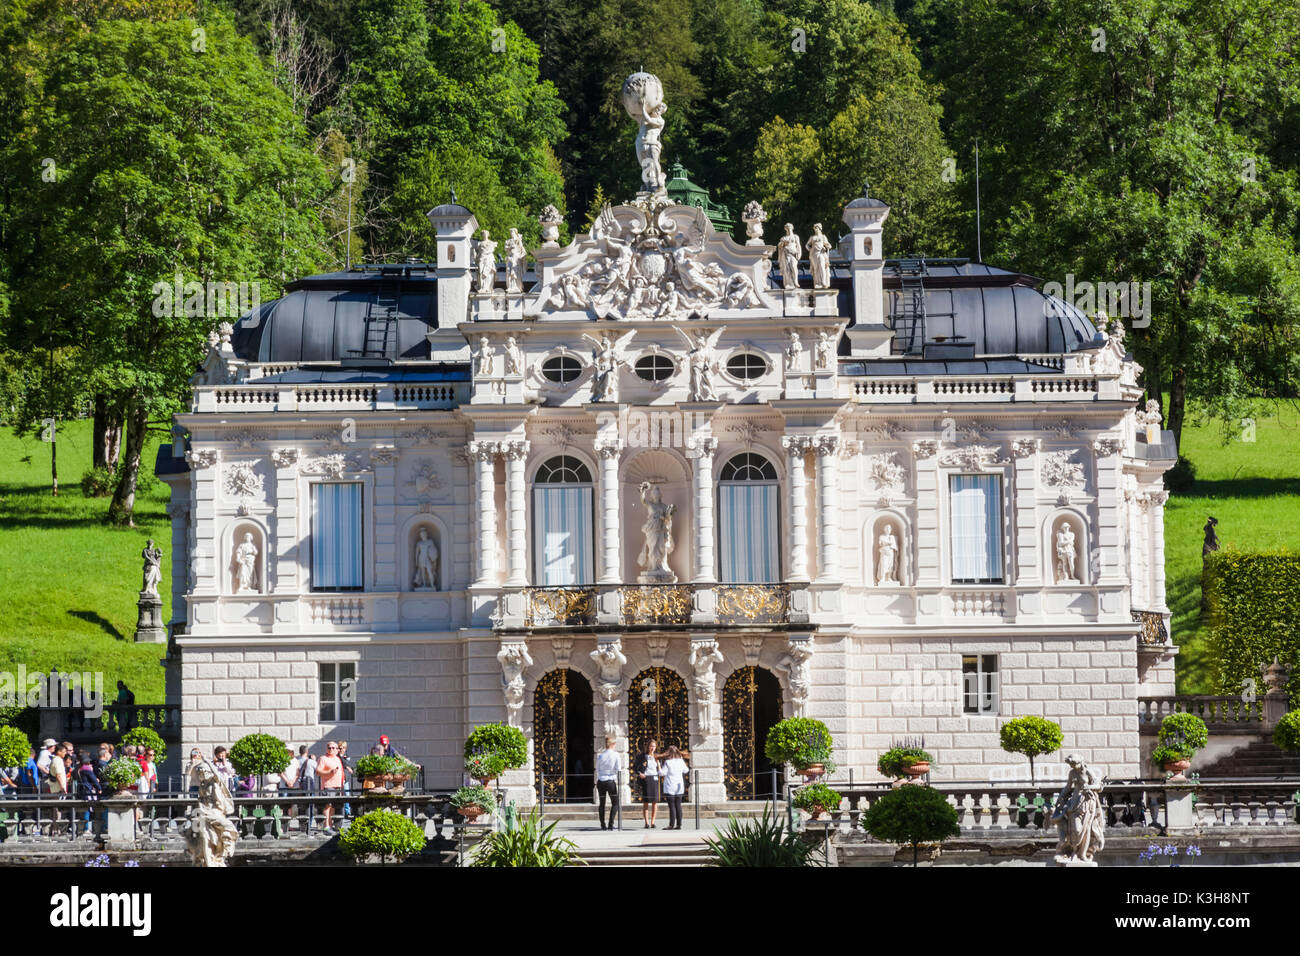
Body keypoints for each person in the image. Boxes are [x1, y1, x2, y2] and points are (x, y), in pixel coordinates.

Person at [316, 741, 344, 831]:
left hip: (338, 785)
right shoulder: (323, 758)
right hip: (328, 785)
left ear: (337, 750)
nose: (331, 749)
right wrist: (329, 772)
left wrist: (342, 782)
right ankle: (326, 826)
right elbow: (318, 771)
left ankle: (331, 825)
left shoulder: (337, 759)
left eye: (333, 748)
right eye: (329, 748)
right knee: (327, 806)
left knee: (333, 807)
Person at [633, 739, 661, 829]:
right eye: (651, 746)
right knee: (646, 802)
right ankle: (646, 823)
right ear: (648, 747)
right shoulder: (642, 756)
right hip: (646, 779)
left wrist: (659, 764)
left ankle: (653, 822)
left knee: (654, 802)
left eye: (654, 746)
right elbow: (634, 767)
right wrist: (640, 773)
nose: (652, 748)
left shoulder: (656, 756)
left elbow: (660, 768)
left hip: (655, 779)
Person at [595, 736, 620, 831]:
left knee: (602, 803)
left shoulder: (600, 755)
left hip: (601, 781)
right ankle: (611, 824)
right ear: (613, 744)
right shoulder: (616, 755)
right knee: (615, 803)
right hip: (610, 780)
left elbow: (597, 768)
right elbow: (618, 768)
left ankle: (602, 824)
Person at [660, 746, 689, 830]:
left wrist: (659, 766)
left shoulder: (668, 762)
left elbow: (662, 773)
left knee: (672, 806)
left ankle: (671, 824)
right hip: (679, 786)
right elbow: (686, 770)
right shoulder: (681, 761)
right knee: (678, 805)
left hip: (670, 785)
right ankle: (679, 824)